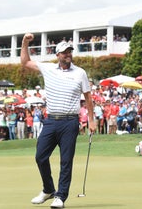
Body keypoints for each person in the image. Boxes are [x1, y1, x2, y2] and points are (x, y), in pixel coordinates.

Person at [21, 33, 95, 208]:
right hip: (51, 121)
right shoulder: (48, 69)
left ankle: (60, 196)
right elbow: (25, 62)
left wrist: (91, 120)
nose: (67, 54)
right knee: (40, 156)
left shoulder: (80, 73)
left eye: (69, 51)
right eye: (64, 52)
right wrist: (24, 42)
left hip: (70, 122)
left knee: (66, 161)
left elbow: (88, 98)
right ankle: (48, 189)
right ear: (57, 55)